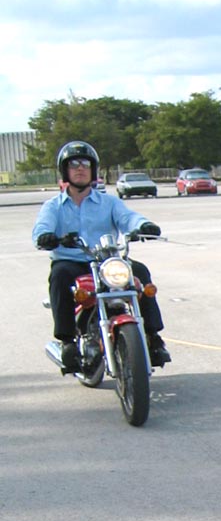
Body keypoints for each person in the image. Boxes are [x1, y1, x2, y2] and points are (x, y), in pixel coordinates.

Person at [33, 140, 170, 373]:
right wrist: (47, 237)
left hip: (106, 261)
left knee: (139, 271)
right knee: (59, 275)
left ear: (93, 169)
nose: (80, 168)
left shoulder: (109, 202)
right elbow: (41, 229)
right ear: (65, 171)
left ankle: (153, 336)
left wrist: (143, 225)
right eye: (74, 164)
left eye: (85, 164)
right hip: (71, 261)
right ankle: (67, 341)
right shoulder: (53, 206)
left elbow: (128, 218)